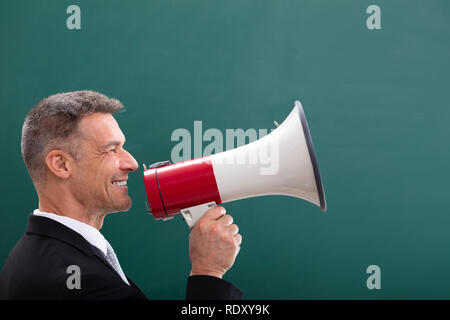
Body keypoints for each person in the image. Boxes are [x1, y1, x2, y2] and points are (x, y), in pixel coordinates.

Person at [0, 91, 243, 300]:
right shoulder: (84, 283)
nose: (133, 163)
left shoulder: (31, 257)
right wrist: (208, 273)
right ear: (62, 164)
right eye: (111, 150)